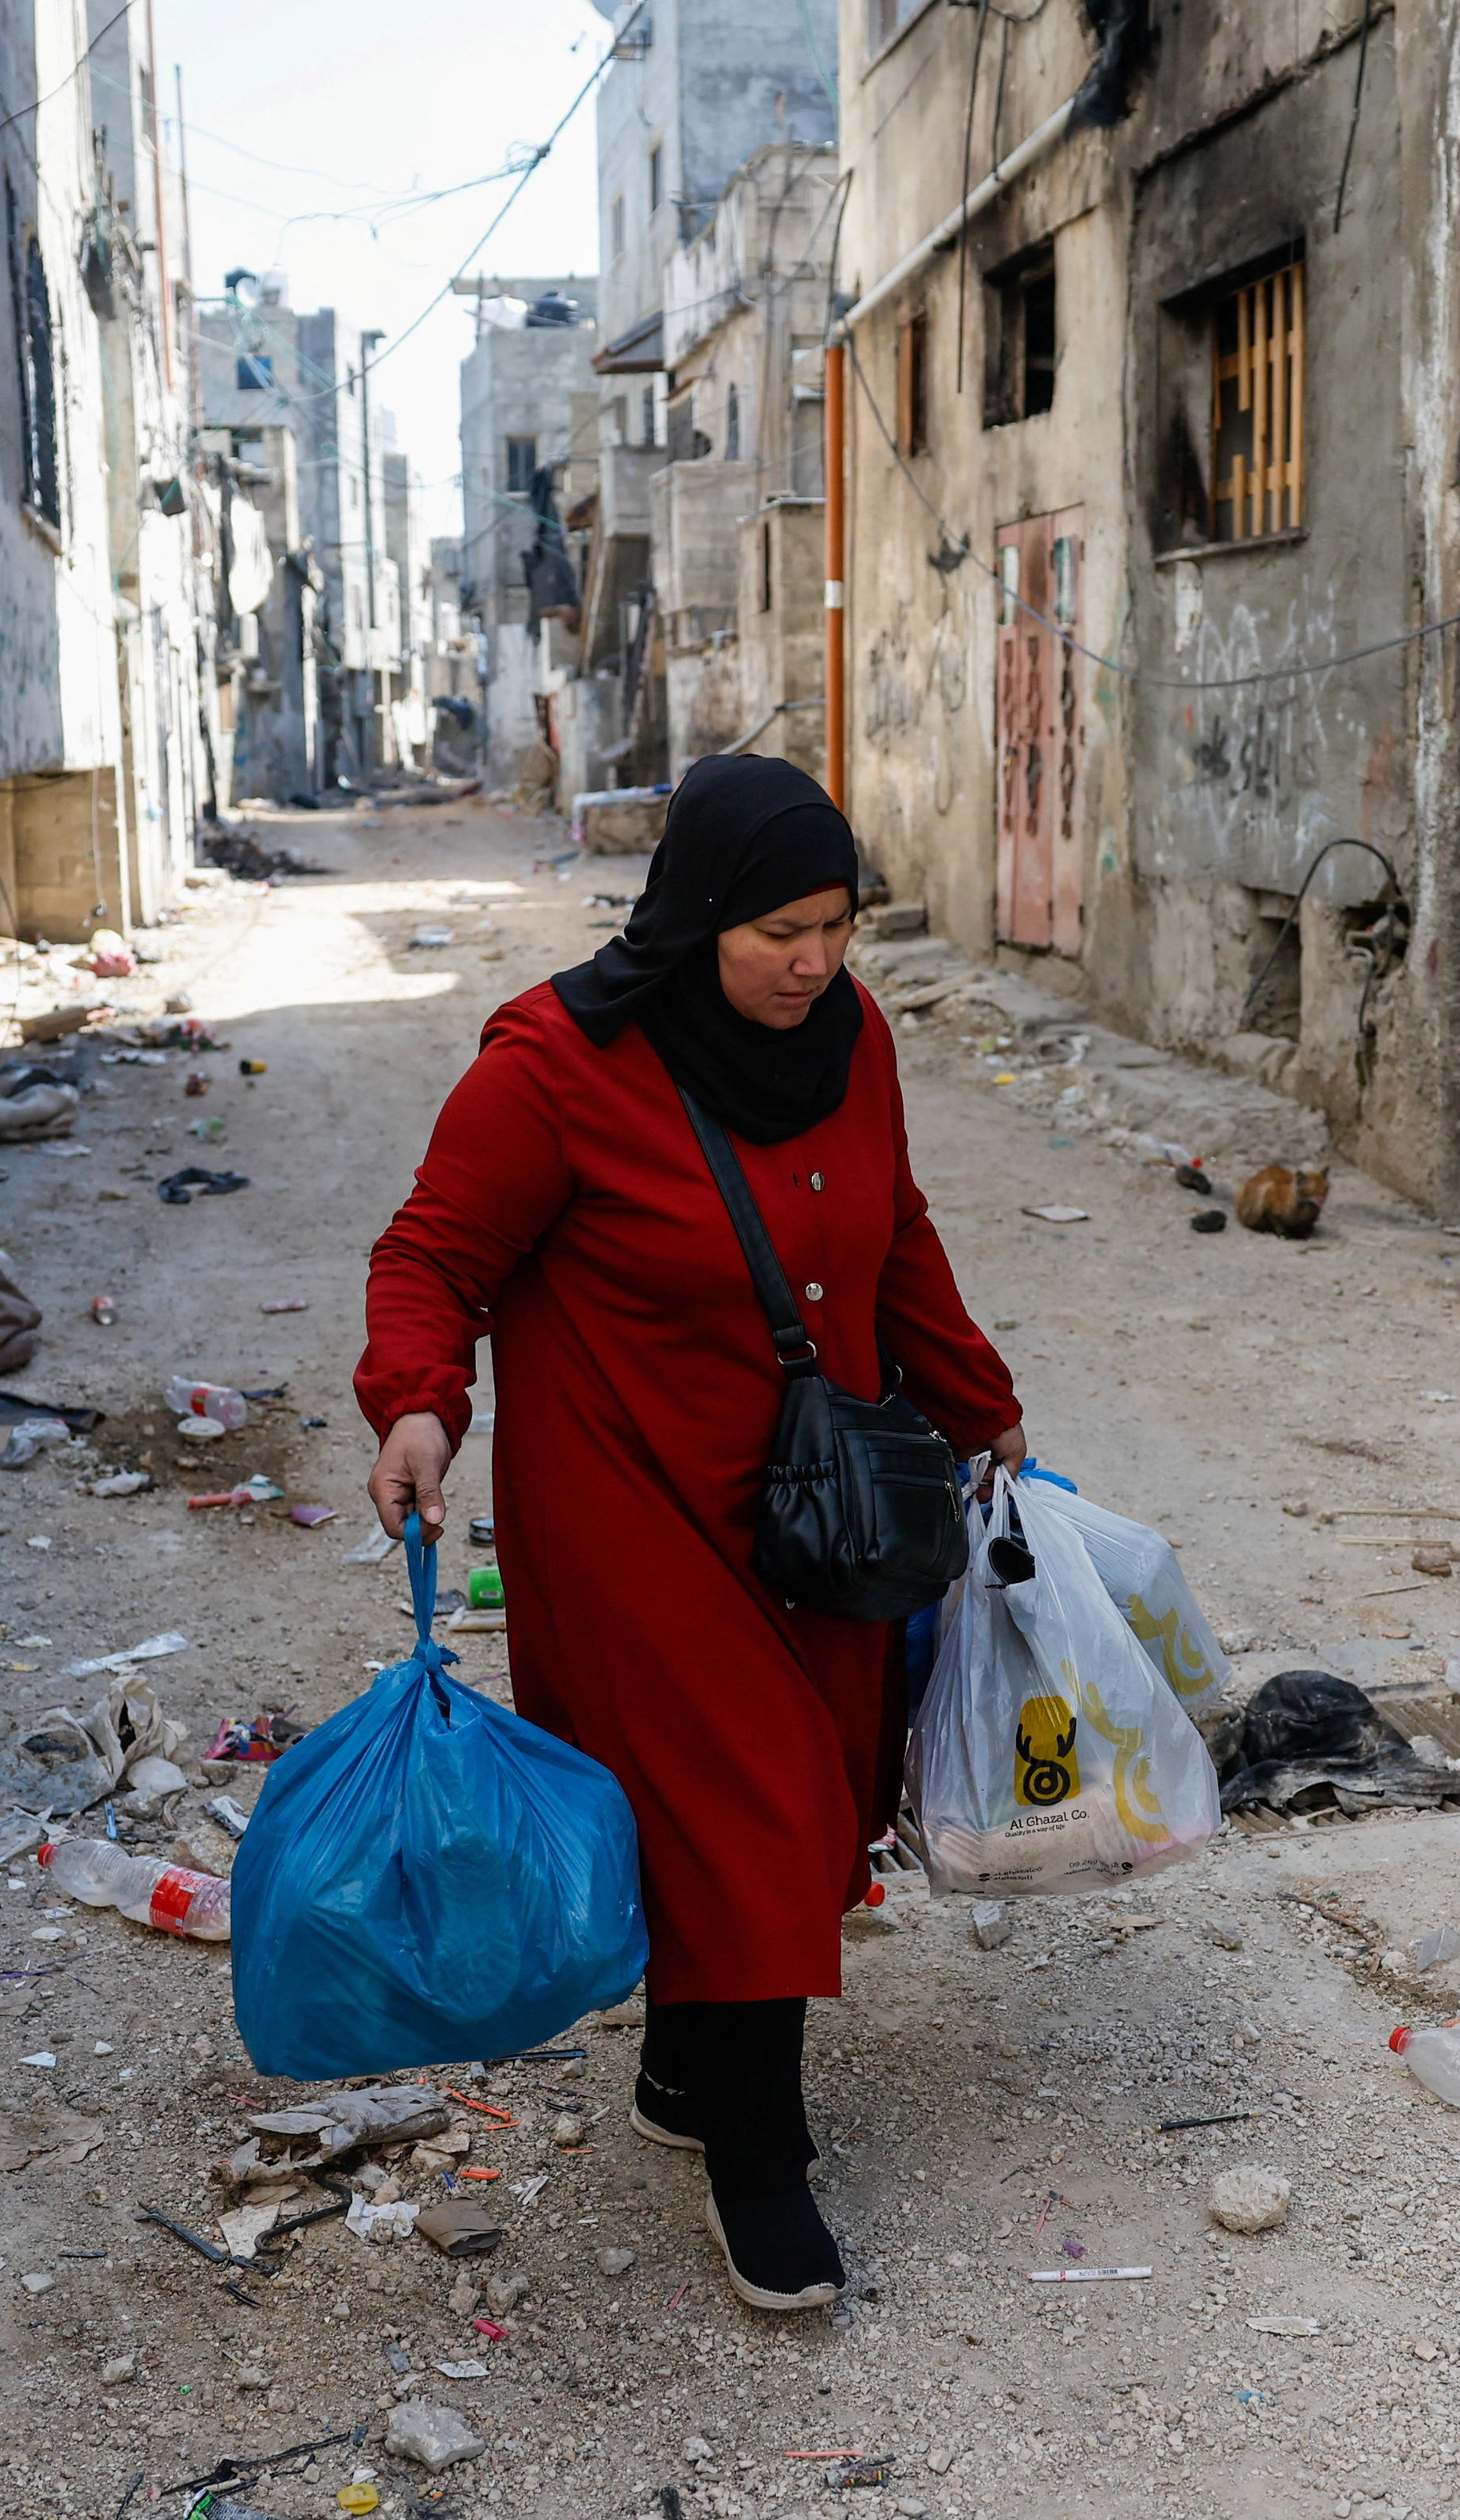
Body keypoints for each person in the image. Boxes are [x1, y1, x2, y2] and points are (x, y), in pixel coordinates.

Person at [357, 753, 1024, 2310]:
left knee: (804, 1787)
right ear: (698, 913)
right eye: (778, 931)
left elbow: (893, 1231)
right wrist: (414, 1402)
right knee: (759, 1808)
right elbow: (432, 1252)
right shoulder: (555, 1064)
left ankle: (678, 2066)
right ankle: (760, 2158)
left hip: (824, 1502)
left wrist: (978, 1397)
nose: (814, 962)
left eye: (838, 926)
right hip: (633, 1505)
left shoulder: (848, 1038)